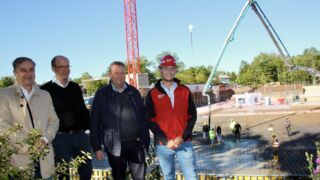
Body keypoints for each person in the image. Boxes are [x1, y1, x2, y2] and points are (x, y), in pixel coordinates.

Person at [0, 57, 59, 179]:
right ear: (15, 73)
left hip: (45, 162)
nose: (28, 74)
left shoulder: (45, 95)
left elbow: (54, 121)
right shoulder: (4, 95)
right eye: (23, 70)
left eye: (31, 69)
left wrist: (44, 139)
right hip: (18, 163)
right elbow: (3, 126)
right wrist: (29, 147)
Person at [90, 61, 150, 180]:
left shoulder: (134, 92)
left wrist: (144, 140)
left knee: (140, 178)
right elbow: (94, 122)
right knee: (118, 177)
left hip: (136, 144)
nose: (120, 76)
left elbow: (143, 117)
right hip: (114, 146)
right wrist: (97, 147)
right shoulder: (101, 94)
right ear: (110, 75)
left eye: (122, 73)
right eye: (116, 73)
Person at [145, 54, 198, 180]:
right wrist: (165, 140)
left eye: (172, 68)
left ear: (176, 70)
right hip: (164, 145)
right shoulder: (152, 93)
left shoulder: (184, 90)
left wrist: (183, 137)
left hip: (184, 143)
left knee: (191, 176)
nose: (169, 71)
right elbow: (150, 120)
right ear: (160, 70)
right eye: (165, 68)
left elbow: (192, 115)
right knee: (169, 177)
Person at [41, 55, 92, 180]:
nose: (65, 69)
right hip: (59, 138)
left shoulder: (75, 87)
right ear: (53, 68)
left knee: (86, 170)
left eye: (67, 66)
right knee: (62, 173)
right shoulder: (45, 90)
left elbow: (82, 109)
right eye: (61, 66)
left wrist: (87, 130)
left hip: (80, 136)